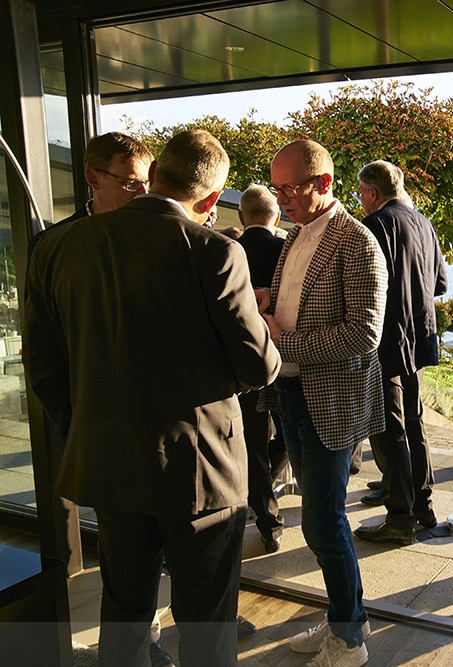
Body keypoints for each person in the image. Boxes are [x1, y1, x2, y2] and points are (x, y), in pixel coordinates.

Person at [24, 129, 281, 667]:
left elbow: (44, 366)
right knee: (207, 626)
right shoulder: (215, 250)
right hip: (200, 472)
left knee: (124, 617)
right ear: (212, 199)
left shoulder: (57, 247)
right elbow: (258, 367)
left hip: (108, 463)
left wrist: (91, 425)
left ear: (155, 174)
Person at [258, 139, 387, 667]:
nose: (281, 199)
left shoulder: (357, 242)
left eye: (290, 188)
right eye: (276, 189)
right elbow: (303, 300)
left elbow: (364, 334)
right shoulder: (295, 234)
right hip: (290, 394)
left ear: (325, 183)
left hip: (329, 401)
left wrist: (283, 342)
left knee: (322, 522)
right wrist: (270, 299)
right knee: (319, 519)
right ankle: (346, 619)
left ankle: (349, 641)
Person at [353, 160, 447, 546]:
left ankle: (399, 518)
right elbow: (439, 284)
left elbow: (366, 287)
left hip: (387, 340)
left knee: (387, 427)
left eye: (361, 193)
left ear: (372, 192)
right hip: (419, 336)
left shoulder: (375, 225)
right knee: (415, 422)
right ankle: (423, 505)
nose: (360, 200)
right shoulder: (424, 224)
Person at [236, 184, 287, 553]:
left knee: (253, 441)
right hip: (284, 358)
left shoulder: (228, 250)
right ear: (277, 216)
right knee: (288, 433)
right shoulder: (287, 252)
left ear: (241, 216)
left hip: (242, 362)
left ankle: (269, 521)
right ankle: (268, 478)